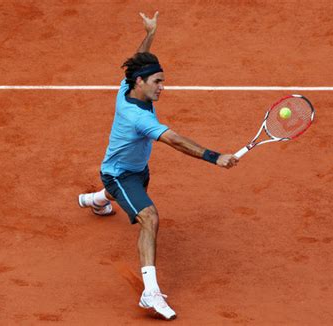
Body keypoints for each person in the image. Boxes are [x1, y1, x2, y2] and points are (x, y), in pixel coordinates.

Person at [78, 11, 238, 320]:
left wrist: (150, 33)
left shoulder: (127, 88)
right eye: (158, 81)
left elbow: (137, 59)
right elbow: (175, 140)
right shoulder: (138, 117)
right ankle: (150, 293)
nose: (163, 87)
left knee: (123, 197)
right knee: (149, 217)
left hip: (137, 171)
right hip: (119, 174)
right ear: (141, 83)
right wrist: (214, 157)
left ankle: (96, 201)